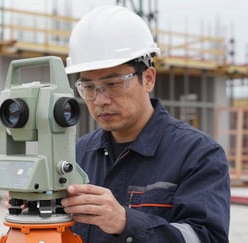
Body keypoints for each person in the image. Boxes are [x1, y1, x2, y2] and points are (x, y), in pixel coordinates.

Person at [58, 5, 231, 243]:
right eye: (89, 88)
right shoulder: (78, 155)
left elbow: (208, 238)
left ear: (148, 78)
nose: (100, 100)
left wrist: (125, 222)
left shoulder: (198, 155)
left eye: (113, 84)